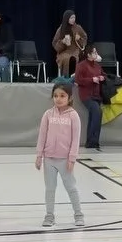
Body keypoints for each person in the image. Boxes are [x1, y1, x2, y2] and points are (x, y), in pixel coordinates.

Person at [35, 83, 84, 229]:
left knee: (71, 187)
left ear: (69, 98)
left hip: (65, 160)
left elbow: (76, 139)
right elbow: (42, 136)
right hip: (49, 159)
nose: (58, 99)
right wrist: (39, 156)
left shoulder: (74, 116)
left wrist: (72, 158)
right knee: (50, 188)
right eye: (55, 96)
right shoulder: (48, 114)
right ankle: (49, 216)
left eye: (62, 96)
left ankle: (79, 215)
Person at [74, 44, 105, 151]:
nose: (96, 54)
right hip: (86, 95)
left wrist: (102, 78)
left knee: (95, 116)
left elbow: (103, 75)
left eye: (96, 52)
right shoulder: (81, 65)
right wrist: (91, 80)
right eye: (94, 52)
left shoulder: (97, 65)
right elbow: (78, 79)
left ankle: (93, 141)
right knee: (97, 112)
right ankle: (92, 141)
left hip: (96, 94)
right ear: (88, 54)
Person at [53, 10, 87, 77]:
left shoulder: (78, 28)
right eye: (71, 18)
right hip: (64, 51)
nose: (73, 19)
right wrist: (62, 42)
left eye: (74, 17)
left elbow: (85, 38)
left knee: (75, 58)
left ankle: (75, 78)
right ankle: (66, 79)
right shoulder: (61, 29)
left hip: (75, 50)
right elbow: (55, 43)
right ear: (66, 18)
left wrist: (79, 38)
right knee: (66, 58)